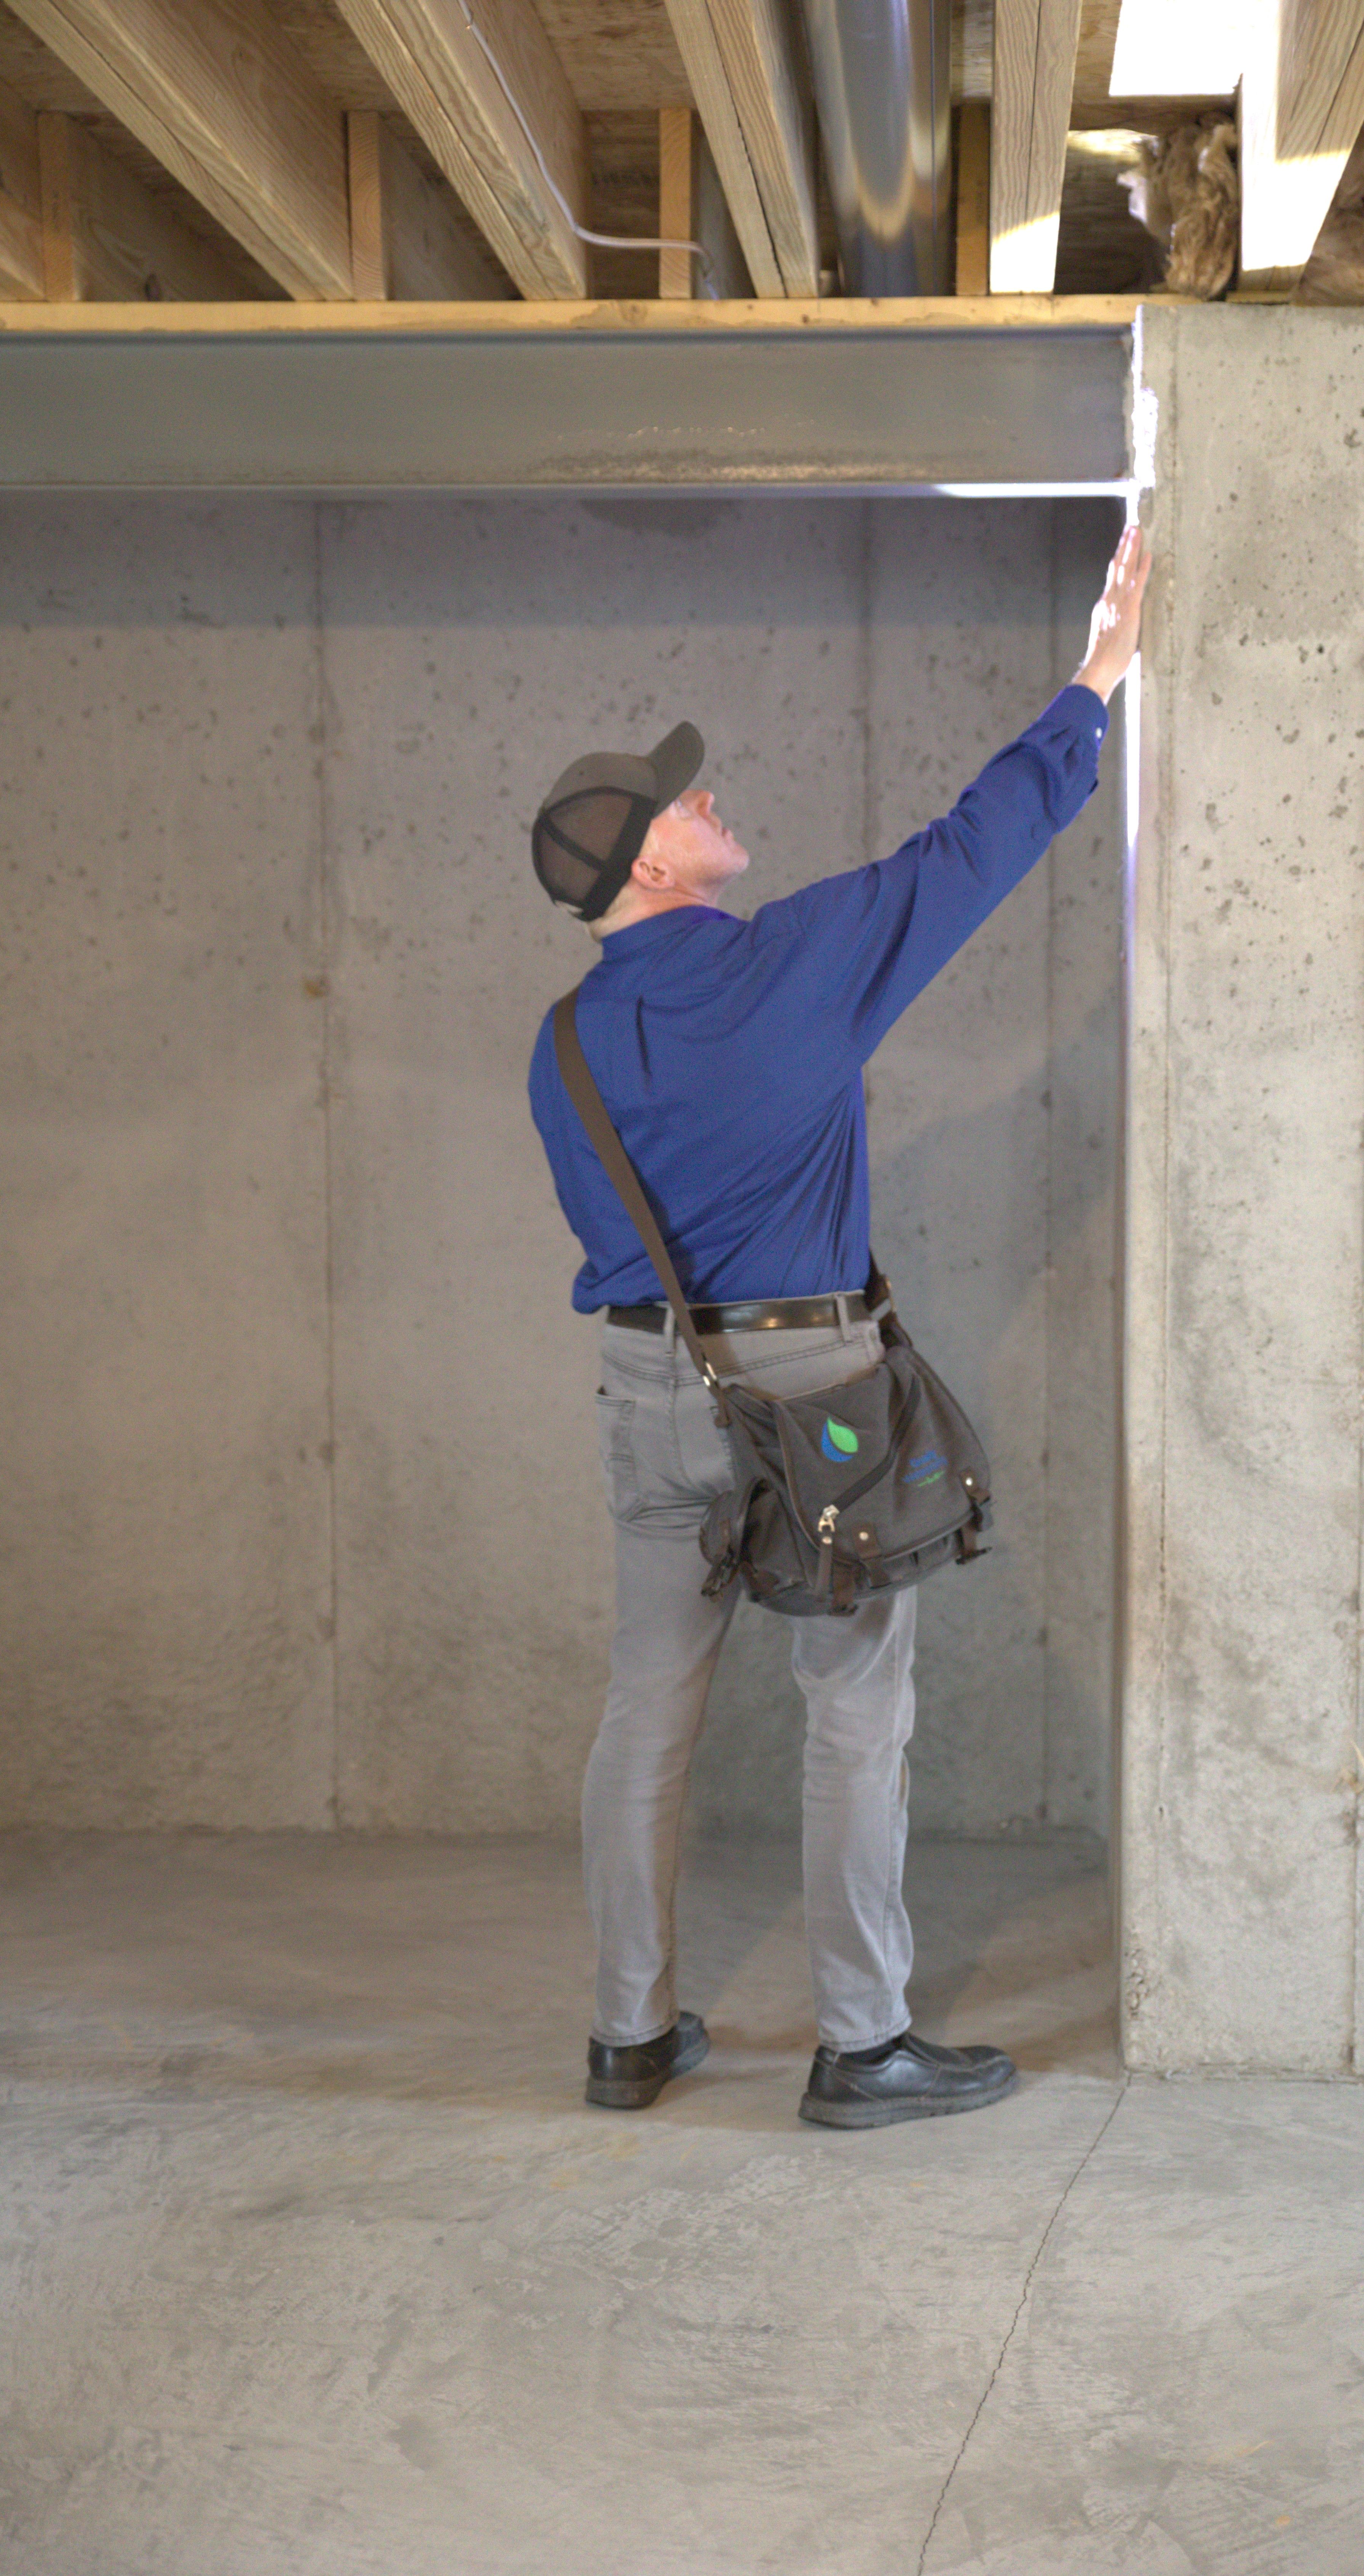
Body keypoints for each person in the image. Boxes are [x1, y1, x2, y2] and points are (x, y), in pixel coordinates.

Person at [528, 523, 1151, 2129]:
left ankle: (628, 2036)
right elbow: (969, 851)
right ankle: (862, 2045)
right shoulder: (786, 971)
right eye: (683, 801)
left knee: (646, 1707)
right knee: (856, 1711)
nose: (709, 797)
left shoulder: (562, 1048)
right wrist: (1097, 673)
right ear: (646, 865)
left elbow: (611, 1237)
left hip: (641, 1394)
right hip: (812, 1393)